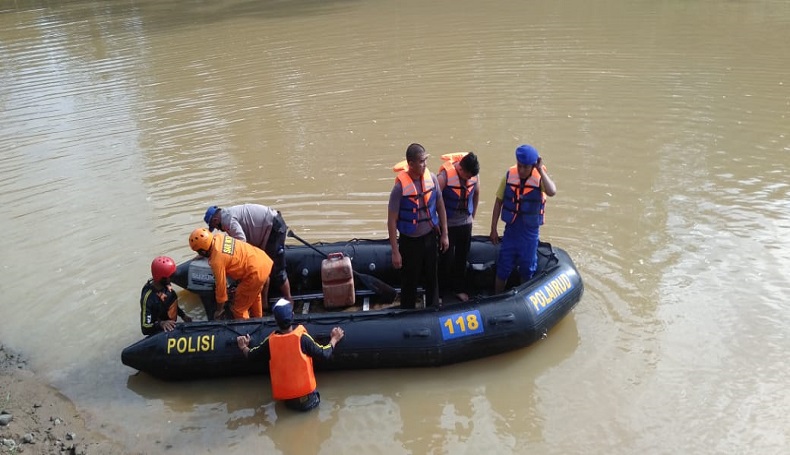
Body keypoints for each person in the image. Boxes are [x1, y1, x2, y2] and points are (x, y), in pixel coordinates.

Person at [236, 299, 345, 412]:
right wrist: (334, 339)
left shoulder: (270, 342)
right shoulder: (303, 339)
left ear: (276, 321)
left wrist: (243, 346)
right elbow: (324, 353)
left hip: (289, 403)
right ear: (292, 316)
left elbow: (251, 355)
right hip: (309, 400)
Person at [387, 143, 449, 309]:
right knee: (410, 280)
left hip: (430, 236)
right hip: (410, 241)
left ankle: (433, 309)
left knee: (432, 277)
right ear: (411, 164)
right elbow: (391, 220)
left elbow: (441, 206)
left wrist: (445, 234)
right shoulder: (399, 189)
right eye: (421, 161)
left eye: (425, 160)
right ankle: (408, 312)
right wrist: (395, 252)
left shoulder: (433, 179)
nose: (425, 164)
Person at [489, 144, 557, 294]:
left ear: (533, 166)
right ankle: (497, 296)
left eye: (526, 167)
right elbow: (498, 201)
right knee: (503, 265)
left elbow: (552, 191)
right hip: (512, 230)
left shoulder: (539, 179)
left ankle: (523, 297)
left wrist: (540, 169)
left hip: (529, 233)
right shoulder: (509, 176)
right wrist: (493, 228)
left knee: (527, 267)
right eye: (519, 166)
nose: (521, 170)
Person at [204, 204, 293, 309]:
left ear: (215, 220)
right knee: (261, 264)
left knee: (277, 270)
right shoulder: (227, 213)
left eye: (215, 226)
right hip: (266, 227)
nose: (218, 230)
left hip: (273, 227)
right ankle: (264, 304)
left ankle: (289, 299)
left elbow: (241, 241)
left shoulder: (227, 220)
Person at [188, 227, 274, 320]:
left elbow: (221, 288)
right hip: (263, 260)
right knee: (253, 296)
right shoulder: (219, 237)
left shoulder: (217, 261)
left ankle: (246, 331)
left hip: (254, 273)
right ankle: (258, 320)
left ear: (203, 251)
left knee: (238, 309)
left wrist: (219, 310)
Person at [436, 152, 480, 302]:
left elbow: (476, 194)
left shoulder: (474, 176)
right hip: (447, 224)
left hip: (465, 223)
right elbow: (434, 199)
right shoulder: (444, 177)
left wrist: (472, 217)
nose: (469, 179)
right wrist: (440, 226)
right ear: (461, 170)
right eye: (467, 176)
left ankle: (458, 289)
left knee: (462, 257)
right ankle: (441, 293)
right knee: (445, 259)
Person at [140, 256, 192, 335]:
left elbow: (170, 302)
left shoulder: (166, 285)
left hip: (171, 322)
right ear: (162, 278)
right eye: (170, 276)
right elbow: (145, 327)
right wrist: (161, 324)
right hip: (162, 330)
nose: (172, 278)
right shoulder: (148, 298)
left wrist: (183, 315)